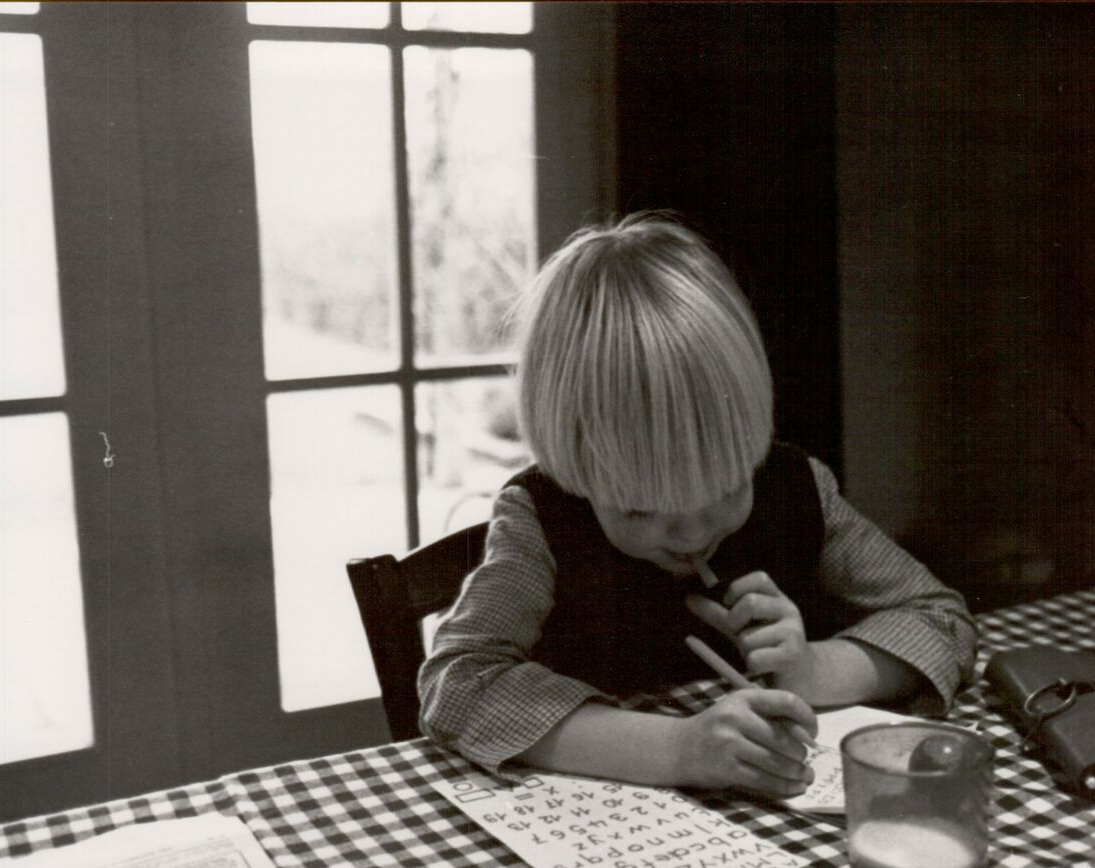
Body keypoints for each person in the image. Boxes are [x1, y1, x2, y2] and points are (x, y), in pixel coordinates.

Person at [418, 213, 976, 799]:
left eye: (727, 487)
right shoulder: (542, 519)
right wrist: (678, 750)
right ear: (575, 472)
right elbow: (457, 684)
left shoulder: (796, 486)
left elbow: (940, 618)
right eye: (638, 509)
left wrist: (812, 669)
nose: (691, 534)